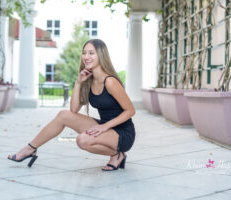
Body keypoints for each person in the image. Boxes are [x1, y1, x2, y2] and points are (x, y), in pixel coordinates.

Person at [8, 39, 136, 171]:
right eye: (84, 53)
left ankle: (117, 154)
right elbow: (73, 109)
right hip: (103, 127)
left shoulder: (110, 82)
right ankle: (30, 149)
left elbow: (130, 111)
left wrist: (104, 127)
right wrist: (78, 82)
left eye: (91, 53)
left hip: (122, 133)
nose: (86, 57)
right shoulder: (89, 80)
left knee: (82, 140)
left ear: (101, 55)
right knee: (64, 115)